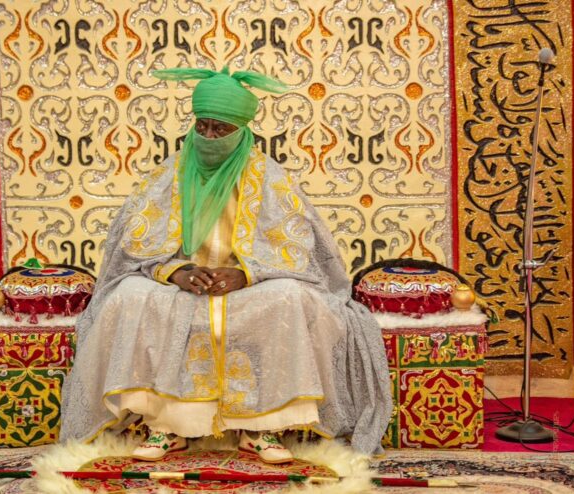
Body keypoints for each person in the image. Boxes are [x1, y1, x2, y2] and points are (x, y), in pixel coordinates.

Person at [59, 67, 393, 463]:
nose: (211, 138)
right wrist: (175, 272)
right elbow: (134, 250)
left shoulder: (269, 178)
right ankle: (168, 428)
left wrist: (247, 272)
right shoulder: (169, 176)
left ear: (243, 130)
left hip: (251, 287)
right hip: (180, 286)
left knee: (290, 297)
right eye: (204, 127)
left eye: (222, 129)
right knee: (130, 295)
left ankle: (261, 429)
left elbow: (298, 251)